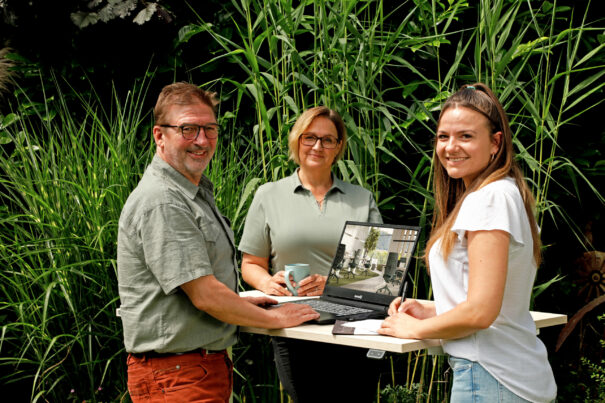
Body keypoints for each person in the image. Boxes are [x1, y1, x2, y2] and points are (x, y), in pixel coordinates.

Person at [117, 82, 319, 403]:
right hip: (177, 376)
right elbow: (205, 296)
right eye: (188, 129)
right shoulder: (164, 200)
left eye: (209, 129)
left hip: (190, 371)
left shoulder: (191, 193)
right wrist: (274, 318)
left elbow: (201, 283)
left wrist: (240, 303)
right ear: (160, 135)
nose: (201, 140)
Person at [378, 83, 557, 402]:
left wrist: (414, 330)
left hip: (491, 377)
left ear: (495, 143)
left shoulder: (488, 200)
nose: (450, 147)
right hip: (508, 376)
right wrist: (432, 310)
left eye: (466, 136)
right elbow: (492, 304)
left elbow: (481, 312)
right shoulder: (504, 192)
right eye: (443, 136)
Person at [239, 106, 384, 403]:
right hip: (296, 325)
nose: (318, 146)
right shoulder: (269, 195)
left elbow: (377, 269)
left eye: (327, 139)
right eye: (310, 137)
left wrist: (331, 283)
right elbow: (251, 263)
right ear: (297, 140)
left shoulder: (361, 198)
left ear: (339, 146)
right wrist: (267, 283)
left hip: (353, 325)